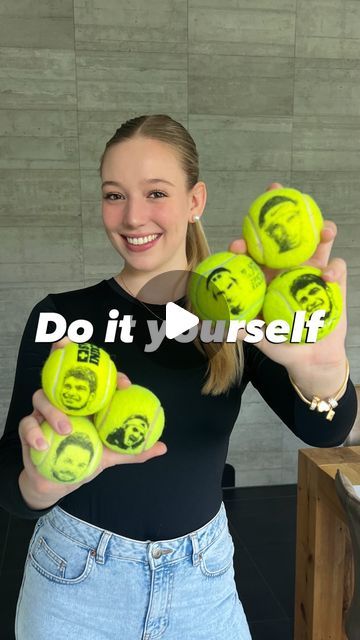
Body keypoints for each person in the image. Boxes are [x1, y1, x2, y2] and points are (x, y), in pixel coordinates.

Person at [0, 114, 357, 640]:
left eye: (156, 193)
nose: (132, 216)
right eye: (114, 195)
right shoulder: (61, 317)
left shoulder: (235, 314)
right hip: (75, 585)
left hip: (201, 583)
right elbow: (10, 478)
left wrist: (323, 371)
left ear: (195, 201)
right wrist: (38, 483)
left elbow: (327, 430)